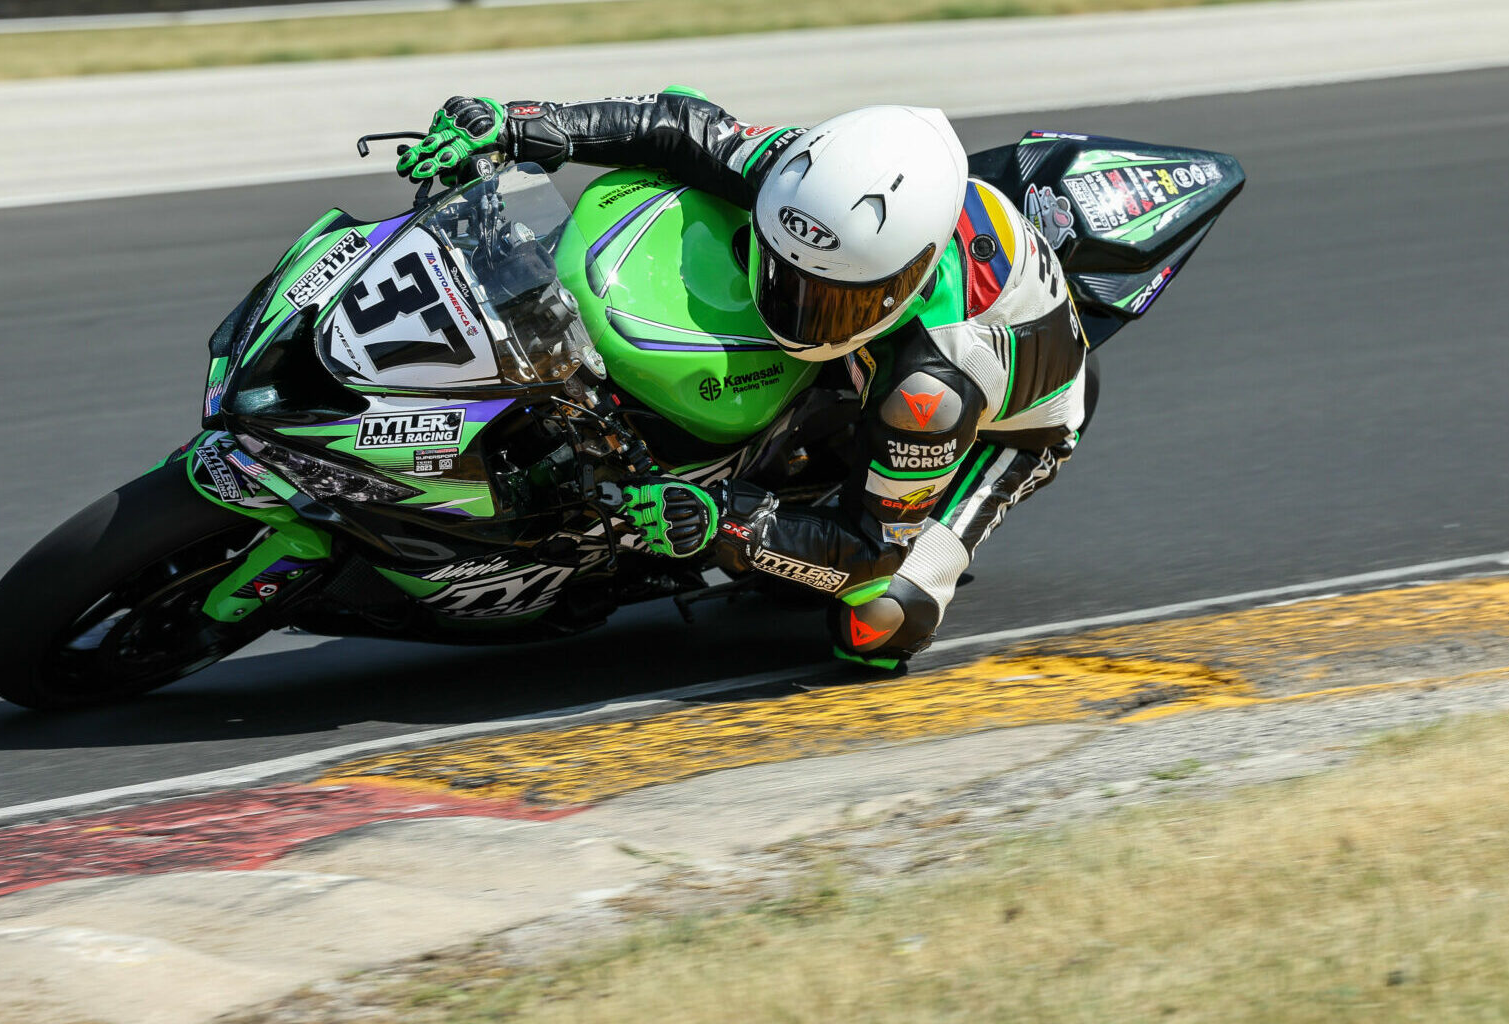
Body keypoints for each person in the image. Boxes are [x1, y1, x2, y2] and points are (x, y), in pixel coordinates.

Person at [398, 89, 1096, 668]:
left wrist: (724, 520)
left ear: (903, 283)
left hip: (1004, 429)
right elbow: (680, 126)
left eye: (830, 300)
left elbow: (869, 554)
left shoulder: (928, 392)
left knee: (882, 622)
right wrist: (524, 128)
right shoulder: (813, 184)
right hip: (884, 336)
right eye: (783, 272)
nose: (795, 311)